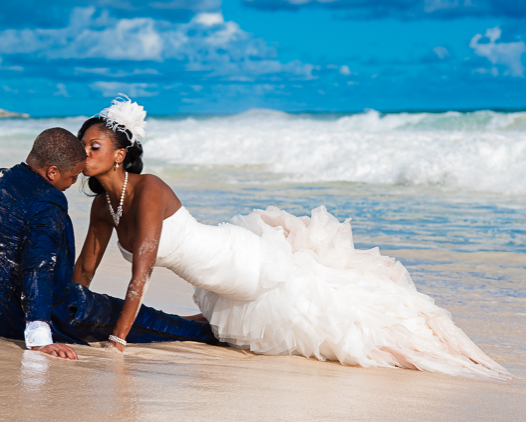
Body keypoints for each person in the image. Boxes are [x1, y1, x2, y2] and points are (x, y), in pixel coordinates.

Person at [76, 96, 511, 380]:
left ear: (120, 155)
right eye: (82, 147)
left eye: (94, 146)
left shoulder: (149, 187)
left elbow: (142, 271)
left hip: (240, 263)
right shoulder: (103, 206)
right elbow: (86, 267)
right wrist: (57, 308)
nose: (85, 154)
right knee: (218, 332)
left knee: (332, 324)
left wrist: (117, 341)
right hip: (214, 278)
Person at [0, 127, 218, 360]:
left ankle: (205, 317)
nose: (74, 182)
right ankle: (221, 331)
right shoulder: (48, 202)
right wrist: (39, 338)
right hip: (57, 316)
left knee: (157, 318)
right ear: (51, 171)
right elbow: (38, 269)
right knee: (162, 325)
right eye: (72, 175)